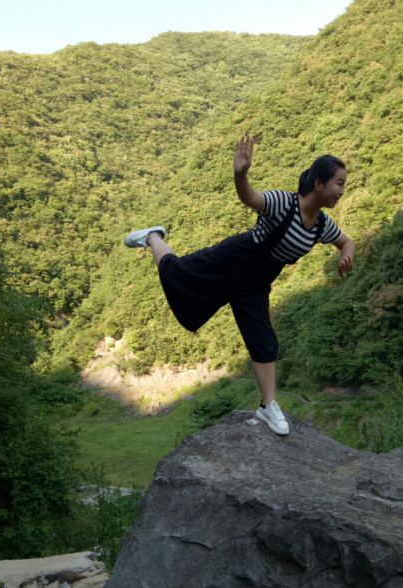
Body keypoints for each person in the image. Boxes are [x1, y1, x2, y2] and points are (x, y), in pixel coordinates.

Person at [124, 136, 354, 436]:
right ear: (318, 184)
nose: (342, 191)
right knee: (175, 275)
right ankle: (153, 236)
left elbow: (346, 241)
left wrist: (346, 256)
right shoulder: (284, 203)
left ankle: (268, 406)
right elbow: (251, 198)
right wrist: (240, 173)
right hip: (232, 260)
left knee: (262, 338)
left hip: (256, 281)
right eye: (339, 183)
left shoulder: (322, 225)